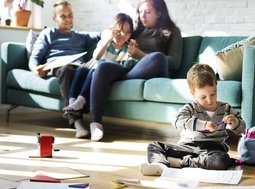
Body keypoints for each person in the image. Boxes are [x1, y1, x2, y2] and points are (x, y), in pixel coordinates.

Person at [89, 0, 183, 141]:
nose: (142, 16)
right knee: (103, 66)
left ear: (159, 12)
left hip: (155, 68)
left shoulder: (172, 31)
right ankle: (95, 124)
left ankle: (118, 78)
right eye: (140, 12)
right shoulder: (136, 30)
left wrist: (139, 54)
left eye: (147, 12)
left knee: (157, 57)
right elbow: (116, 36)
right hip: (130, 69)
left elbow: (175, 62)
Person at [140, 64, 246, 176]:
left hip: (212, 150)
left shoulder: (226, 108)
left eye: (213, 94)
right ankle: (160, 165)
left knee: (221, 161)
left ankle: (176, 163)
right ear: (193, 94)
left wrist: (234, 122)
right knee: (154, 146)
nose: (209, 100)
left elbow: (242, 129)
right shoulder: (191, 107)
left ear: (216, 86)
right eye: (203, 97)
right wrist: (203, 125)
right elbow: (176, 120)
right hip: (187, 147)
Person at [28, 0, 100, 138]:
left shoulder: (80, 36)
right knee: (67, 69)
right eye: (63, 16)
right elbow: (34, 58)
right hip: (60, 67)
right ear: (54, 18)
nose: (68, 19)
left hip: (79, 68)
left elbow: (102, 34)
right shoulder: (48, 33)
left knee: (91, 69)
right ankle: (77, 123)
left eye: (70, 15)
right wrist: (36, 69)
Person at [63, 13, 135, 134]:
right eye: (119, 30)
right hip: (92, 66)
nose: (122, 35)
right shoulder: (107, 41)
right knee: (81, 69)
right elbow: (96, 57)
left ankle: (80, 101)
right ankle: (72, 104)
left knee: (93, 72)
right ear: (113, 30)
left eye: (127, 32)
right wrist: (107, 40)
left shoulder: (126, 48)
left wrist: (130, 53)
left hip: (101, 73)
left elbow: (123, 66)